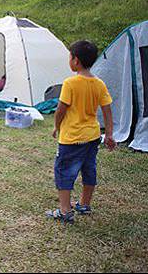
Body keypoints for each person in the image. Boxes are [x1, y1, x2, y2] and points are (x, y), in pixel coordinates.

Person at [46, 40, 116, 224]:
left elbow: (61, 109)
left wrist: (56, 126)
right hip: (93, 137)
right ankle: (84, 204)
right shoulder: (99, 83)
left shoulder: (70, 83)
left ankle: (65, 210)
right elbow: (107, 110)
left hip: (72, 139)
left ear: (75, 60)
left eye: (69, 56)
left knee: (64, 171)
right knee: (89, 168)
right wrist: (109, 134)